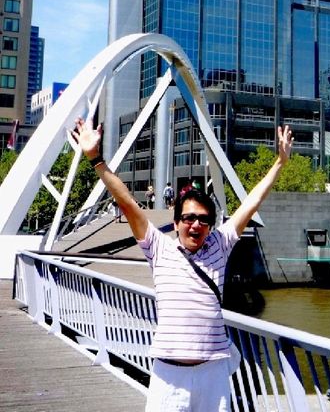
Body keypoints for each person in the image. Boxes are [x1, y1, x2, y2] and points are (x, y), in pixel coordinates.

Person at [73, 117, 294, 412]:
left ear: (211, 225)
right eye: (188, 218)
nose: (196, 225)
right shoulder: (158, 248)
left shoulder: (220, 245)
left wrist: (280, 162)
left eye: (204, 219)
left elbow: (251, 204)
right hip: (169, 375)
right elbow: (127, 203)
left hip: (214, 373)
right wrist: (96, 159)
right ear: (176, 223)